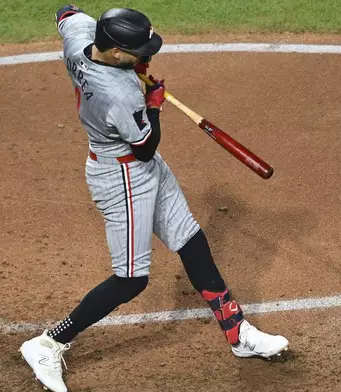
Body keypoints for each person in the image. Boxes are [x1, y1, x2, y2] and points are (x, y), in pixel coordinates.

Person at [19, 6, 289, 392]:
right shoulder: (119, 93)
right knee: (131, 279)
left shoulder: (82, 35)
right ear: (115, 53)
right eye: (140, 52)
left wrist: (135, 73)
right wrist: (154, 103)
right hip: (123, 176)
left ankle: (238, 332)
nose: (147, 56)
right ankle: (48, 343)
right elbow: (145, 146)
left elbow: (67, 12)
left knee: (191, 241)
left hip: (143, 169)